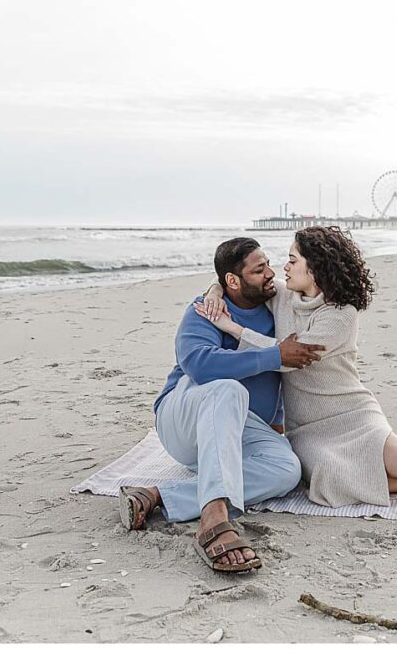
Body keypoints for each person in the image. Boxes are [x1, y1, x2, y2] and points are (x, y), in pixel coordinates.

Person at [197, 226, 397, 508]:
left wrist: (233, 329)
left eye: (292, 260)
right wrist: (214, 291)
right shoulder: (282, 295)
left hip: (350, 410)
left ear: (315, 268)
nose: (282, 268)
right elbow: (236, 280)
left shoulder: (341, 315)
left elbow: (287, 358)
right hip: (307, 427)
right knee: (332, 479)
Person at [118, 237, 325, 573]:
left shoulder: (278, 306)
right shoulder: (206, 309)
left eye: (269, 264)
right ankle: (214, 514)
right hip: (182, 421)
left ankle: (158, 496)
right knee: (227, 389)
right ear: (233, 280)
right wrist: (274, 355)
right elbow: (200, 365)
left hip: (241, 426)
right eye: (259, 270)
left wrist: (277, 420)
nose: (271, 273)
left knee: (286, 469)